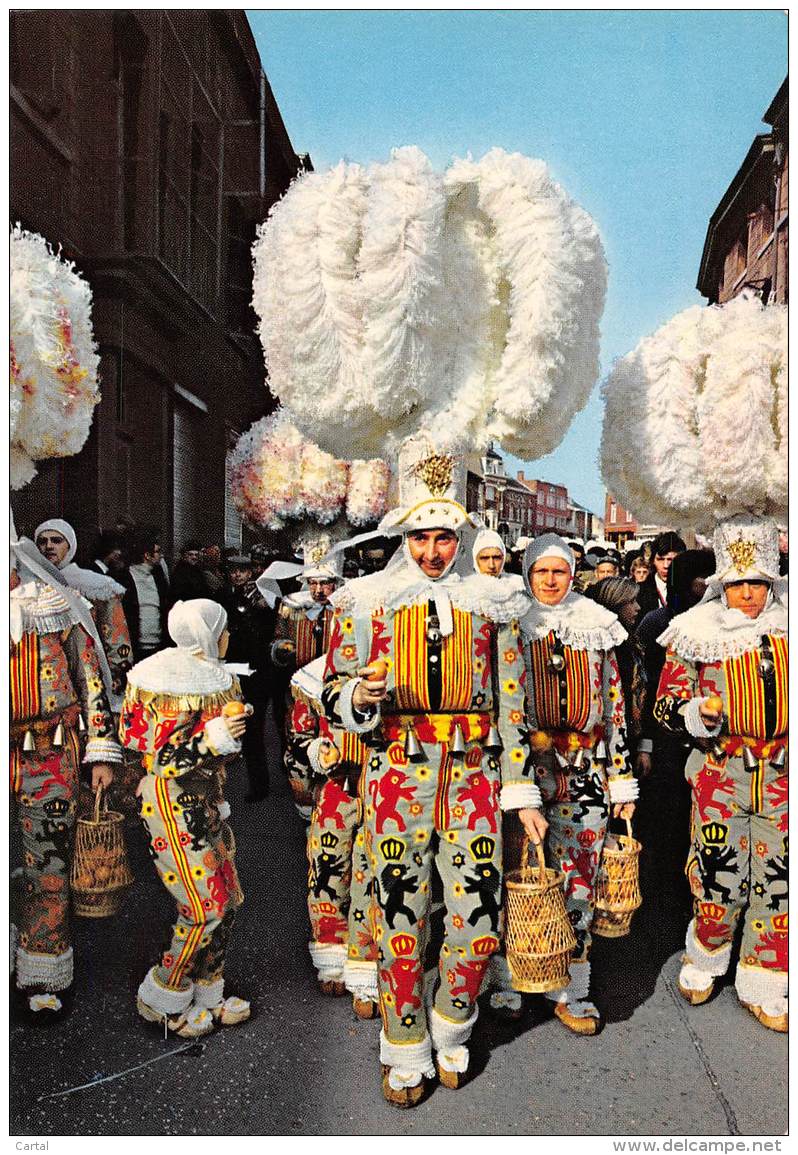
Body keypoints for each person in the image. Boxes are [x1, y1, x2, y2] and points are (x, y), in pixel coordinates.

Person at [321, 435, 533, 1106]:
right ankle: (405, 1043)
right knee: (401, 917)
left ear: (461, 536)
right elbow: (332, 688)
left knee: (476, 924)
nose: (435, 552)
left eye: (445, 538)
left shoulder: (490, 603)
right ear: (404, 536)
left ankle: (452, 1017)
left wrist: (520, 790)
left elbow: (512, 703)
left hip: (473, 778)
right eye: (422, 539)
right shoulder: (365, 604)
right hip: (396, 779)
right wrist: (358, 696)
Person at [654, 517, 787, 1032]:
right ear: (722, 585)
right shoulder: (694, 633)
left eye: (758, 584)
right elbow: (664, 706)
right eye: (739, 584)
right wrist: (695, 714)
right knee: (716, 869)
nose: (749, 594)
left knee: (777, 878)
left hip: (781, 776)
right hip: (719, 772)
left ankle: (764, 977)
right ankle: (707, 954)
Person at [515, 534, 637, 1035]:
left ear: (572, 576)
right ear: (527, 575)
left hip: (585, 772)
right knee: (523, 873)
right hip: (528, 772)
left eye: (559, 572)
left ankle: (571, 985)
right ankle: (515, 974)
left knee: (580, 878)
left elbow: (614, 707)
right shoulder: (510, 624)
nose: (549, 581)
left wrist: (621, 778)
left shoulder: (596, 626)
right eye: (541, 571)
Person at [120, 599, 251, 1037]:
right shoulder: (163, 679)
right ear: (210, 632)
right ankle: (162, 999)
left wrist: (227, 731)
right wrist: (214, 738)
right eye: (224, 628)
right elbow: (163, 757)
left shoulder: (214, 677)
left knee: (228, 898)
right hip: (171, 803)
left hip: (205, 800)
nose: (228, 636)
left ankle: (208, 990)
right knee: (202, 906)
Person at [10, 533, 121, 1017]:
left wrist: (100, 754)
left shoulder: (59, 605)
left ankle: (44, 966)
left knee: (47, 863)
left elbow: (91, 680)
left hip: (48, 753)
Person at [634, 550, 717, 950]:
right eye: (700, 577)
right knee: (666, 824)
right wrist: (646, 743)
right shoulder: (662, 624)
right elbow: (646, 687)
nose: (707, 586)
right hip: (667, 744)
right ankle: (662, 902)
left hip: (710, 746)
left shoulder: (722, 627)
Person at [261, 539, 342, 818]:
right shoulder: (292, 607)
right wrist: (283, 649)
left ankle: (334, 794)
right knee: (297, 740)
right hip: (297, 687)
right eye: (313, 583)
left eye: (325, 583)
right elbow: (278, 640)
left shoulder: (346, 608)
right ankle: (303, 799)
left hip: (334, 686)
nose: (318, 590)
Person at [35, 518, 133, 709]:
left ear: (70, 545)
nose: (48, 546)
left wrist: (116, 677)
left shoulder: (96, 585)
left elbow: (117, 635)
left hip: (93, 677)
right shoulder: (32, 587)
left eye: (56, 540)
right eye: (42, 541)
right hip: (54, 685)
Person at [223, 553, 275, 801]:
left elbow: (269, 629)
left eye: (241, 571)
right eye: (233, 571)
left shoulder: (263, 596)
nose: (237, 575)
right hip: (233, 668)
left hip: (258, 670)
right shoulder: (226, 597)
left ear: (250, 573)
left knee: (254, 731)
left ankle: (259, 787)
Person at [121, 529, 171, 661]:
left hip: (158, 646)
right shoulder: (126, 577)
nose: (161, 555)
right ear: (147, 555)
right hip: (136, 647)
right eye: (158, 551)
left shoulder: (158, 576)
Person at [636, 531, 686, 617]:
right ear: (652, 561)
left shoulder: (690, 589)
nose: (666, 565)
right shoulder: (638, 592)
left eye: (671, 560)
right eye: (660, 559)